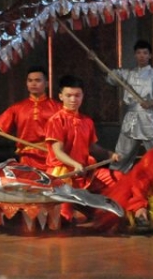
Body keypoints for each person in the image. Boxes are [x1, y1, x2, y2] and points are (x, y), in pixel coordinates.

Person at [45, 75, 121, 222]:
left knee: (118, 178)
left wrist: (110, 154)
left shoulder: (87, 121)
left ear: (82, 96)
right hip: (63, 175)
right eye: (69, 95)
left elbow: (92, 147)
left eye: (77, 95)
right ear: (61, 96)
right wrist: (74, 164)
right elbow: (58, 152)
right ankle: (75, 210)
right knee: (64, 218)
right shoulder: (56, 120)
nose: (73, 99)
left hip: (85, 171)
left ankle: (100, 211)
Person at [102, 40, 153, 173]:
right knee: (122, 153)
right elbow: (109, 74)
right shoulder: (127, 74)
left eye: (145, 53)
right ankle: (115, 178)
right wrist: (95, 59)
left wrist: (151, 103)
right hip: (131, 118)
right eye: (139, 53)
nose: (142, 56)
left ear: (150, 56)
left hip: (148, 118)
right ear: (135, 55)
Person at [0, 65, 60, 170]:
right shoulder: (17, 108)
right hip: (27, 157)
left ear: (46, 83)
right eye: (30, 80)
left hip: (52, 156)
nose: (33, 84)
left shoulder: (58, 108)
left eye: (38, 80)